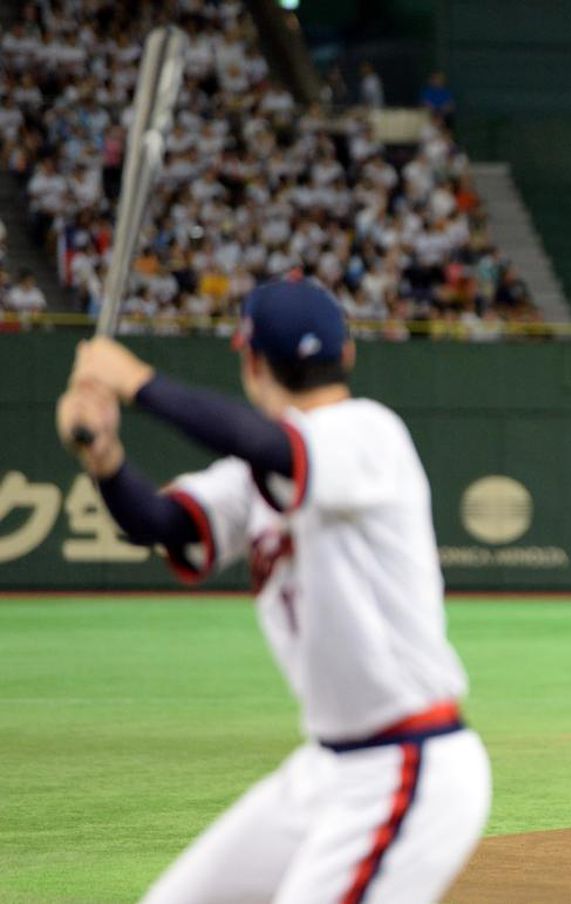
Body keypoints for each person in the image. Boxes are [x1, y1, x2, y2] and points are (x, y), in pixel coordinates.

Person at [55, 277, 491, 903]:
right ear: (347, 354)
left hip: (408, 763)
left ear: (251, 362)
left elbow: (269, 443)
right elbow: (163, 524)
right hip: (326, 771)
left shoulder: (368, 433)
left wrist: (138, 382)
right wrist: (104, 458)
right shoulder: (253, 474)